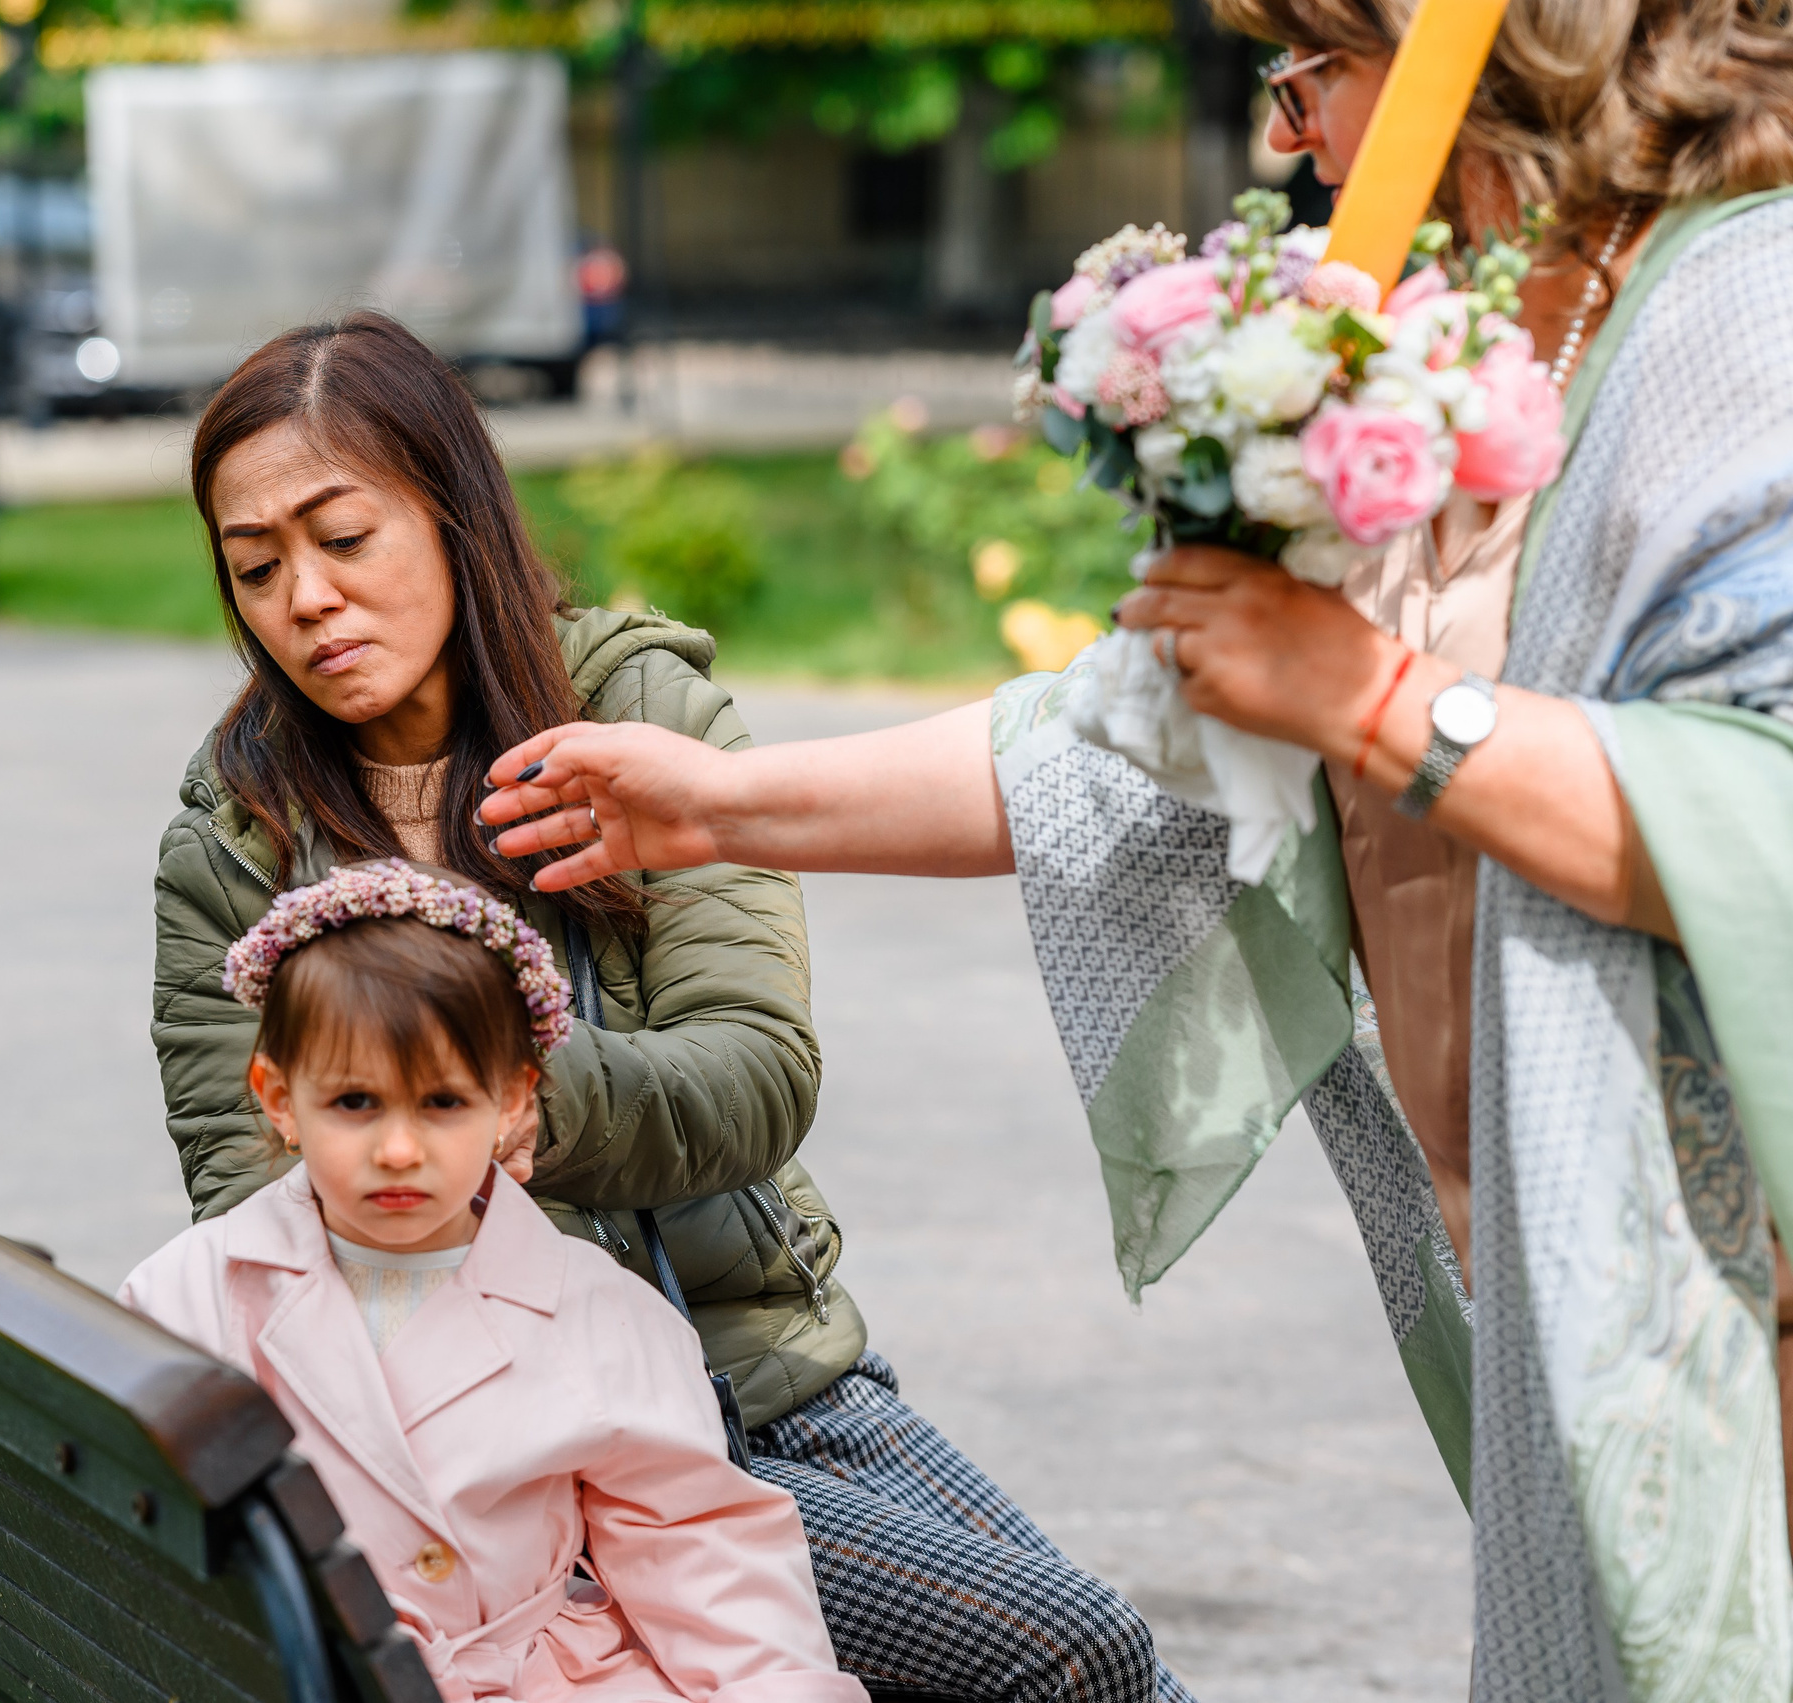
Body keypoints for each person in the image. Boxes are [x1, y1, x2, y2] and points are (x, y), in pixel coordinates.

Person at [478, 5, 1793, 1698]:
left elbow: (1757, 803)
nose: (1287, 139)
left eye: (1308, 69)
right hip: (1549, 1271)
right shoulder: (1481, 331)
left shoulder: (1745, 309)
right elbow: (1130, 750)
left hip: (1737, 1286)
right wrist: (718, 803)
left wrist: (1377, 701)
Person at [151, 311, 1196, 1701]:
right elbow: (248, 1180)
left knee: (1112, 1665)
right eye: (257, 565)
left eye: (345, 540)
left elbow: (752, 1070)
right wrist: (455, 1118)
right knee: (1065, 1654)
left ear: (455, 516)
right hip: (505, 1440)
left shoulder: (638, 713)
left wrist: (487, 1102)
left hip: (764, 1371)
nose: (307, 600)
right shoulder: (239, 835)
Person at [122, 860, 867, 1703]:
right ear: (280, 1098)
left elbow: (695, 1541)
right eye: (356, 1103)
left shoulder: (597, 1311)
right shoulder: (197, 1293)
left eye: (442, 1103)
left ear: (513, 1102)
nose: (398, 1149)